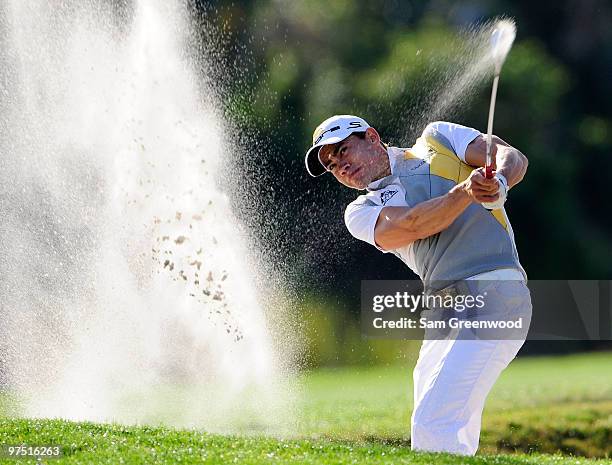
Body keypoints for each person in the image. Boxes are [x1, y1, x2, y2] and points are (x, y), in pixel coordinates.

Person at [304, 115, 531, 456]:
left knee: (432, 423)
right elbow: (415, 224)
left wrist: (499, 180)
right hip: (443, 311)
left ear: (371, 136)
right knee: (443, 430)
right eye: (332, 164)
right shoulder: (361, 211)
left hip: (495, 293)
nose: (341, 166)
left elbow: (509, 154)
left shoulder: (438, 138)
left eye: (343, 150)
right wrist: (468, 192)